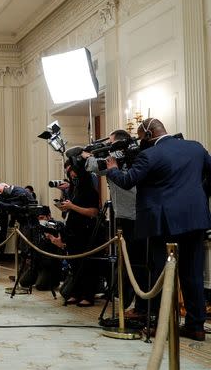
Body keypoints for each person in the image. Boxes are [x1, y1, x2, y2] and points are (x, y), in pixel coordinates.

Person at [106, 118, 211, 341]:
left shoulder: (150, 155)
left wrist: (112, 170)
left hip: (163, 222)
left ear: (148, 133)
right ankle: (196, 326)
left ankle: (158, 324)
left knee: (160, 273)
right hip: (195, 218)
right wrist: (199, 194)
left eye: (141, 137)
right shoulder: (195, 148)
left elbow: (128, 181)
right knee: (193, 273)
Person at [82, 130, 147, 316]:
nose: (108, 147)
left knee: (133, 263)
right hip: (137, 214)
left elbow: (94, 167)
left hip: (129, 216)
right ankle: (135, 304)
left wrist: (89, 155)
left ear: (118, 143)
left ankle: (137, 306)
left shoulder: (118, 155)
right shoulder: (136, 155)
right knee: (135, 262)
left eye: (110, 143)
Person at [46, 148, 102, 307]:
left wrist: (72, 206)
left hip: (86, 230)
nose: (70, 175)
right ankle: (76, 293)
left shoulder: (89, 190)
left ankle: (87, 295)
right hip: (74, 230)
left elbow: (93, 212)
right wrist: (66, 207)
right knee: (74, 264)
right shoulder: (74, 189)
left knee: (87, 265)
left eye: (72, 171)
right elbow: (73, 206)